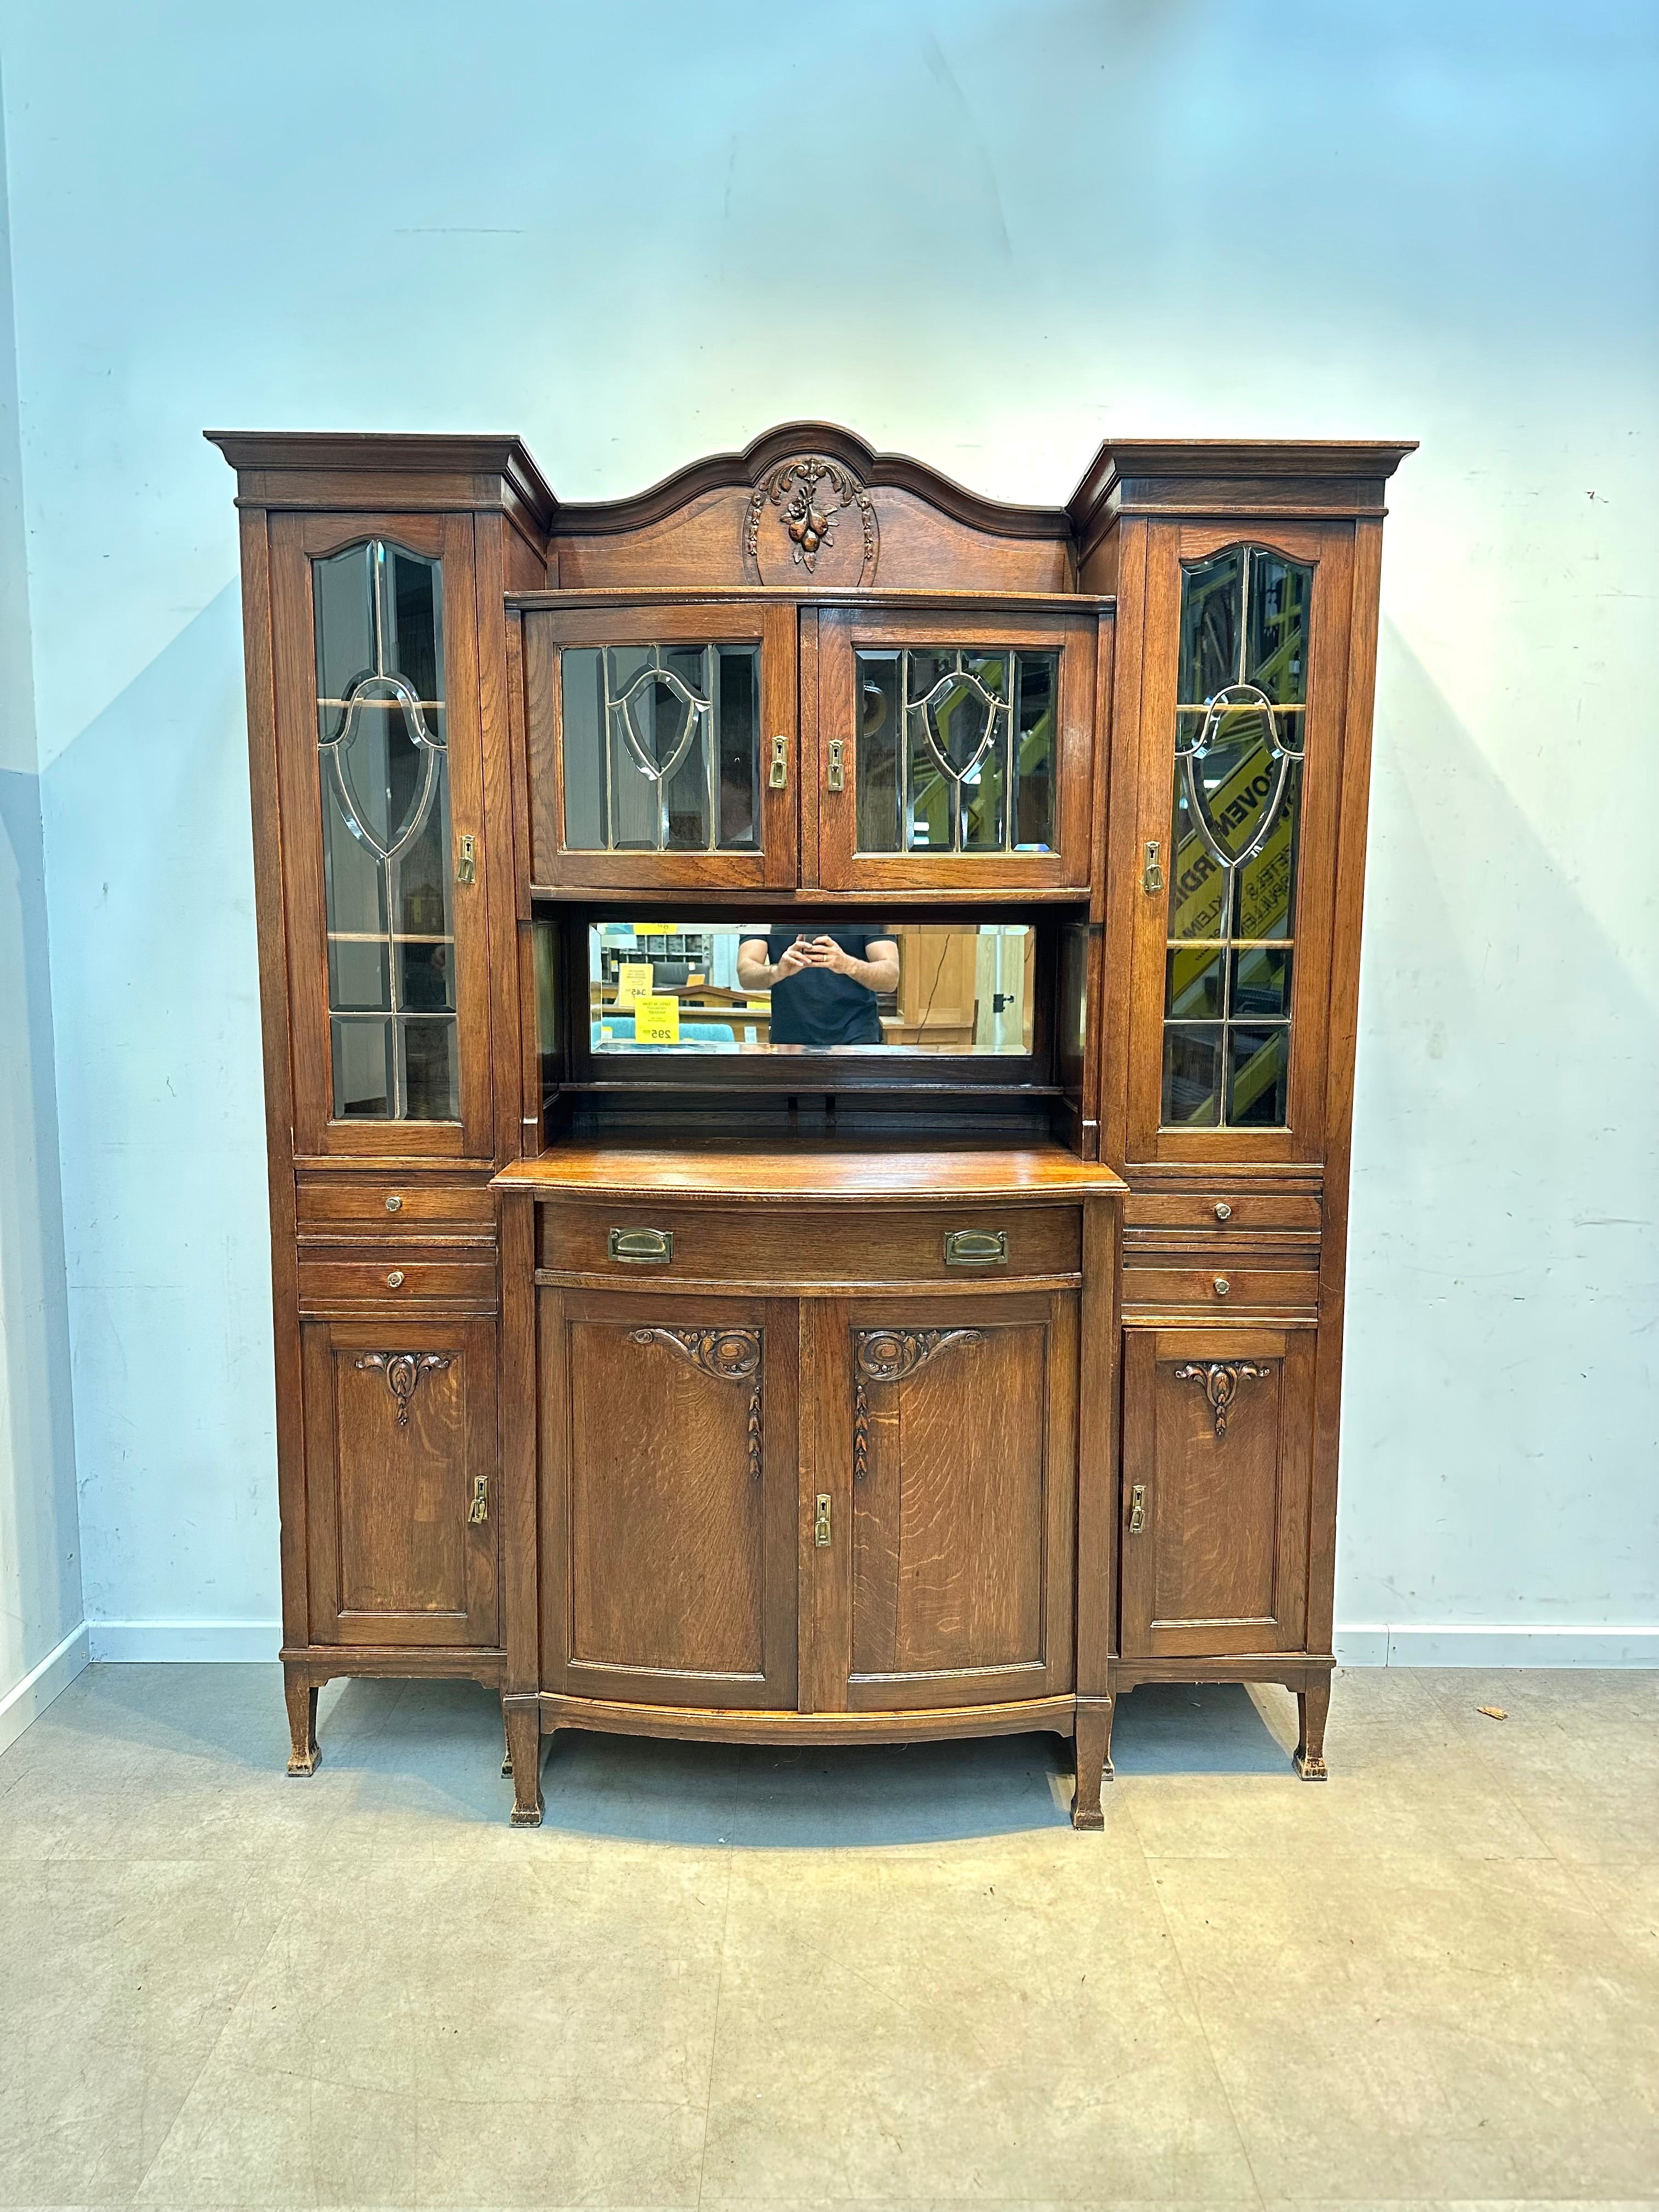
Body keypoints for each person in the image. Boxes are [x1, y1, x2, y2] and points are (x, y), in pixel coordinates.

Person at [736, 926, 900, 1047]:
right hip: (789, 1041)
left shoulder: (865, 903)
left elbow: (890, 977)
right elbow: (746, 973)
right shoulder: (767, 904)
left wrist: (847, 964)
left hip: (856, 1039)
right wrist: (778, 971)